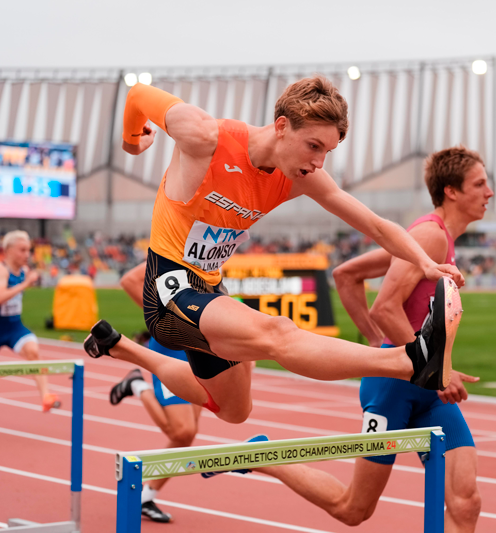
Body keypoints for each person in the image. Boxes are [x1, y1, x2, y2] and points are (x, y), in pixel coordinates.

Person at [84, 76, 464, 424]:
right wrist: (132, 143)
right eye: (313, 146)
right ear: (282, 126)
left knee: (234, 410)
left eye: (327, 151)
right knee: (277, 331)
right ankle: (409, 360)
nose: (318, 162)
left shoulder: (301, 176)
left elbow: (375, 225)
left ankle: (124, 351)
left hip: (210, 288)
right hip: (169, 290)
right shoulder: (204, 136)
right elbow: (137, 95)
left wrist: (425, 263)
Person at [251, 147, 488, 532]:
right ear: (452, 191)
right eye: (479, 184)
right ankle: (266, 457)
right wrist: (425, 364)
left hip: (427, 388)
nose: (489, 192)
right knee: (354, 509)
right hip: (395, 388)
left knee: (466, 503)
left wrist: (382, 342)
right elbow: (385, 306)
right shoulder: (429, 235)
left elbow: (346, 275)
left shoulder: (435, 237)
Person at [108, 262, 202, 523]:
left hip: (198, 348)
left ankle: (146, 496)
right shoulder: (174, 252)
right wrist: (164, 318)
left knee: (189, 432)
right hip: (171, 349)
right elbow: (129, 280)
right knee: (182, 432)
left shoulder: (216, 253)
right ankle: (137, 386)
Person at [0, 231, 60, 412]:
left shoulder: (24, 271)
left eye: (28, 250)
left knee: (33, 352)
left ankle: (45, 396)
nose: (27, 254)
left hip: (15, 327)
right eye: (22, 250)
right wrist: (25, 284)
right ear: (8, 250)